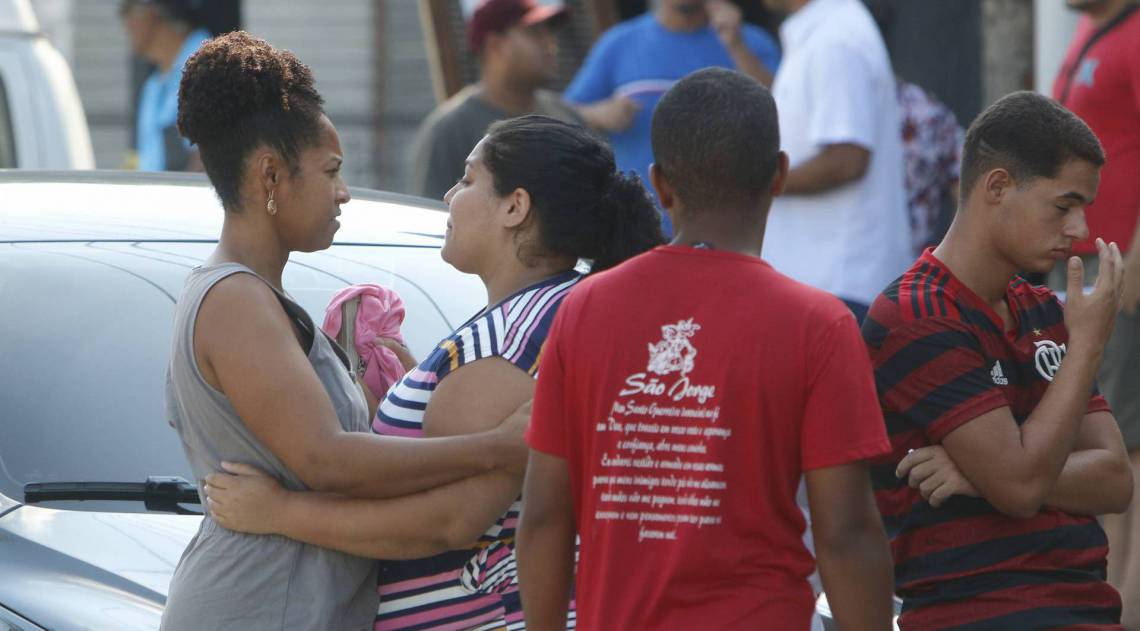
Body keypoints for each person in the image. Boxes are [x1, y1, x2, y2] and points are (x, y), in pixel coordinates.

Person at [202, 115, 666, 630]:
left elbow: (449, 521)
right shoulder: (553, 312)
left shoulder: (513, 340)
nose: (449, 195)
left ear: (516, 206)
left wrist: (278, 514)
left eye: (468, 180)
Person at [162, 32, 528, 630]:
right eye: (331, 171)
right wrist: (497, 447)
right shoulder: (233, 300)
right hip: (257, 607)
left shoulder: (254, 297)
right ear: (270, 176)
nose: (343, 192)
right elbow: (329, 460)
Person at [516, 68, 895, 631]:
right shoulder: (819, 326)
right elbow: (845, 535)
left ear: (660, 185)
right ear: (779, 176)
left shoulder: (584, 310)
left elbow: (546, 518)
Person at [864, 91, 1133, 630]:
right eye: (1063, 206)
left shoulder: (1042, 310)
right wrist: (1086, 348)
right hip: (977, 615)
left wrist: (974, 472)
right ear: (998, 187)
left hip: (1086, 611)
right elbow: (1019, 487)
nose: (1080, 230)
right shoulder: (915, 313)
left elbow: (1115, 481)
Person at [1053, 2, 1140, 623]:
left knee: (1124, 445)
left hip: (1123, 275)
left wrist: (1136, 260)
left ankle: (1123, 607)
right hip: (1085, 271)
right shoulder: (1087, 26)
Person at [563, 0, 781, 235]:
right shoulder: (618, 43)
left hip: (727, 229)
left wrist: (736, 45)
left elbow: (782, 114)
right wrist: (597, 114)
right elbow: (561, 115)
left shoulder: (749, 41)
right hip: (636, 230)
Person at [759, 0, 910, 323]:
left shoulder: (836, 40)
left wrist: (756, 180)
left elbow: (848, 159)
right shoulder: (825, 33)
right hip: (826, 284)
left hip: (840, 285)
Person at [407, 0, 581, 201]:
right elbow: (432, 217)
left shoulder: (567, 118)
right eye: (534, 33)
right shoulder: (449, 130)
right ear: (495, 46)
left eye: (549, 33)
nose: (550, 44)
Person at [119, 0, 211, 171]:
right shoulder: (153, 86)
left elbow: (213, 157)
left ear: (150, 12)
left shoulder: (210, 65)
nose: (126, 25)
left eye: (127, 10)